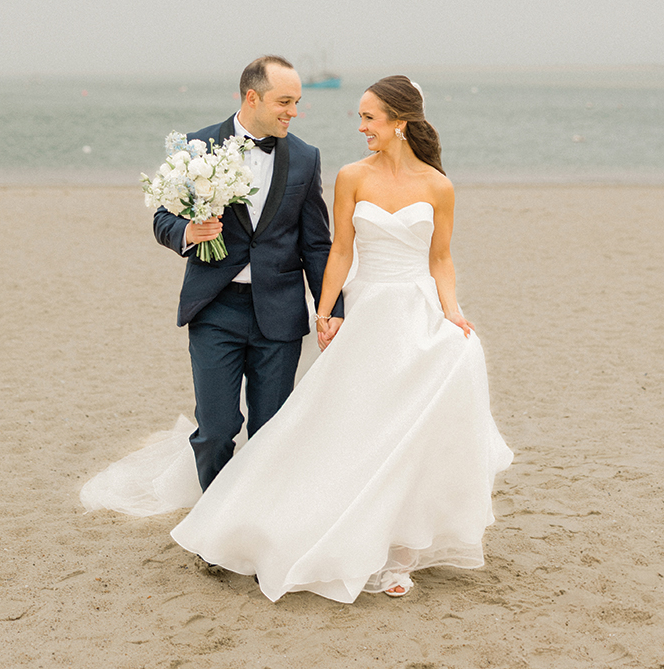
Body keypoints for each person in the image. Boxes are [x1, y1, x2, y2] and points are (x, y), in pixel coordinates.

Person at [170, 75, 513, 602]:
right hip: (363, 310)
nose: (361, 127)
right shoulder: (350, 176)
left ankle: (400, 553)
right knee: (344, 425)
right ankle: (243, 522)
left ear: (400, 123)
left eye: (369, 117)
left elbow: (441, 257)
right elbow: (338, 250)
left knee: (410, 426)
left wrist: (452, 312)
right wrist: (326, 310)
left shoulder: (438, 186)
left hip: (416, 311)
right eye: (361, 117)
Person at [152, 55, 342, 492]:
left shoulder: (306, 158)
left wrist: (329, 308)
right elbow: (163, 218)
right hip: (215, 309)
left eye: (297, 102)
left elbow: (316, 244)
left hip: (280, 313)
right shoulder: (197, 148)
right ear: (252, 97)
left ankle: (258, 519)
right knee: (216, 430)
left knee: (271, 431)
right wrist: (189, 232)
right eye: (285, 102)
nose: (294, 112)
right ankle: (214, 517)